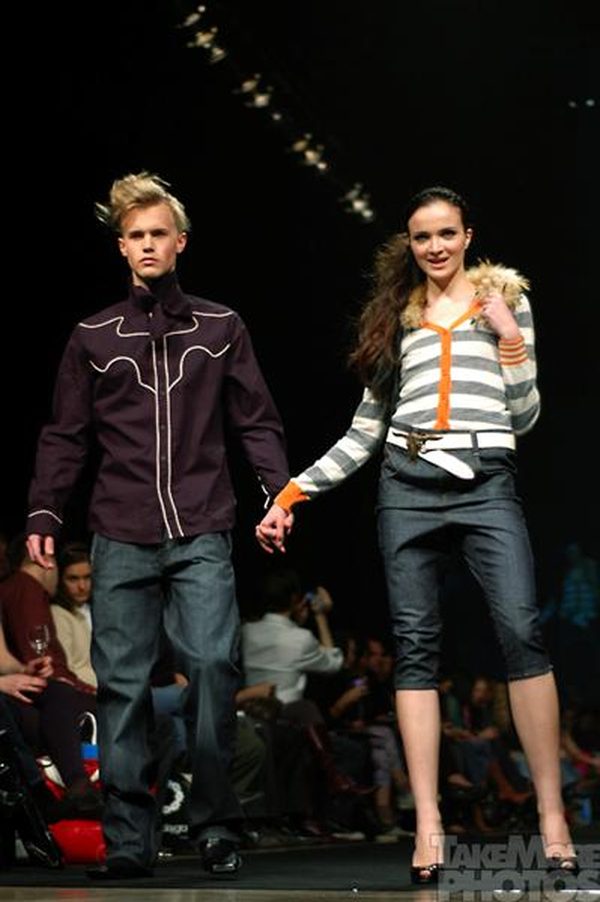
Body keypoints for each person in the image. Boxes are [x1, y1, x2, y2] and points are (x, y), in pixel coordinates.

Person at [256, 186, 576, 883]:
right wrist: (293, 492)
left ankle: (552, 815)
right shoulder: (397, 319)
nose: (434, 246)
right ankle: (428, 824)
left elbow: (524, 415)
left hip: (486, 482)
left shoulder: (506, 300)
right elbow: (365, 430)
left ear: (467, 236)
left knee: (521, 629)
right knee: (415, 646)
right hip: (407, 484)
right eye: (422, 236)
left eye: (446, 233)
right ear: (411, 243)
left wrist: (509, 336)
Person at [25, 171, 290, 879]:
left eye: (158, 234)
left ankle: (216, 825)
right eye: (135, 235)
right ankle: (129, 840)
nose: (147, 244)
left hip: (202, 524)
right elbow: (65, 434)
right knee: (122, 684)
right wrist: (45, 509)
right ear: (122, 246)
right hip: (119, 530)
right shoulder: (93, 335)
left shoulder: (220, 326)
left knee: (210, 665)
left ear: (181, 242)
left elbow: (256, 420)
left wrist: (280, 494)